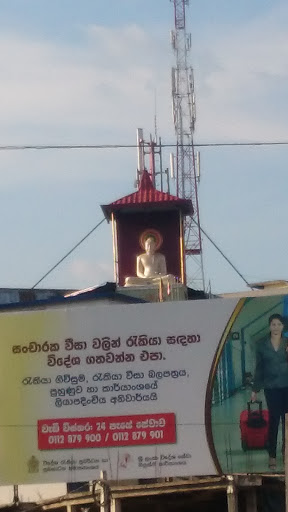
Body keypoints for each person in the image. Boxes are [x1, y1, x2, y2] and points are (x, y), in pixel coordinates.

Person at [251, 313, 288, 469]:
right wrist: (255, 389)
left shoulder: (287, 342)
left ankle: (285, 452)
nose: (276, 327)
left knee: (287, 422)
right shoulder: (262, 345)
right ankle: (272, 455)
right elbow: (259, 368)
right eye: (273, 324)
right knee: (273, 421)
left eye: (279, 324)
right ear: (269, 326)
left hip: (287, 387)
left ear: (283, 326)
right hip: (271, 388)